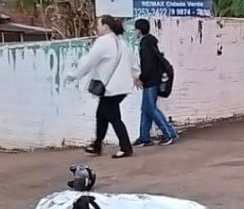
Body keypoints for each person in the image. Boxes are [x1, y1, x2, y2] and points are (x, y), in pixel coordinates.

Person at [67, 15, 139, 159]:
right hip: (122, 88)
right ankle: (97, 145)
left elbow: (89, 62)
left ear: (106, 26)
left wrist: (75, 74)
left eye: (98, 25)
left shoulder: (103, 42)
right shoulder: (122, 43)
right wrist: (137, 77)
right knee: (102, 115)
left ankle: (125, 147)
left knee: (113, 117)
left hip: (110, 89)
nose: (97, 28)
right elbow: (133, 64)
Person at [133, 19, 178, 147]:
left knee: (151, 109)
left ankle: (169, 134)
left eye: (136, 29)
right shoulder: (150, 43)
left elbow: (148, 67)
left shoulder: (145, 45)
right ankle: (144, 137)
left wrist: (141, 78)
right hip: (153, 80)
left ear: (139, 30)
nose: (135, 32)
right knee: (146, 109)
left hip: (151, 81)